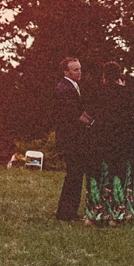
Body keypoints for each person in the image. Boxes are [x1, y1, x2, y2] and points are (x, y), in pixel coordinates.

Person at [84, 62, 134, 226]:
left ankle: (94, 214)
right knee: (118, 176)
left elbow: (87, 115)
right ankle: (116, 215)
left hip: (99, 139)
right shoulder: (128, 94)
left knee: (97, 176)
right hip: (120, 140)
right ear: (119, 75)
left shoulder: (96, 92)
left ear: (104, 75)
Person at [53, 57, 92, 222]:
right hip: (72, 139)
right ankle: (66, 212)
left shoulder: (71, 87)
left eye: (80, 68)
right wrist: (92, 122)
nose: (79, 72)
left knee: (74, 175)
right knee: (74, 175)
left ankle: (67, 211)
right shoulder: (65, 89)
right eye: (75, 69)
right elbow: (75, 114)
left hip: (73, 138)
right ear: (66, 72)